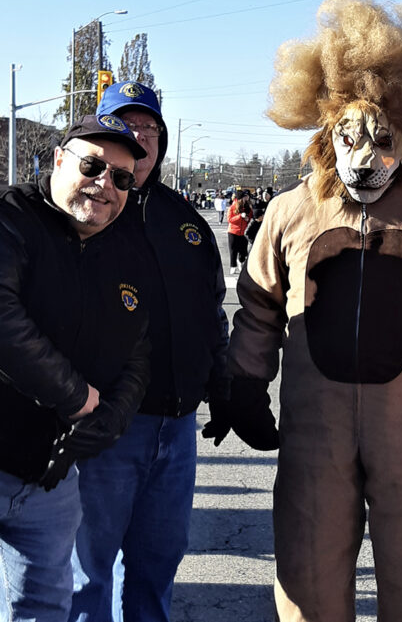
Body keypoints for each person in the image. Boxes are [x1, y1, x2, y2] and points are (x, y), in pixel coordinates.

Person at [207, 0, 402, 620]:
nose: (366, 156)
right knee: (308, 591)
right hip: (316, 440)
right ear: (325, 134)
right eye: (351, 136)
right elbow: (259, 304)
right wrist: (243, 382)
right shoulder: (289, 211)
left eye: (384, 140)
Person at [69, 81, 230, 622]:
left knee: (156, 565)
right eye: (126, 124)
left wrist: (224, 384)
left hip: (177, 428)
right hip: (109, 428)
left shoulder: (186, 222)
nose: (139, 136)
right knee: (87, 574)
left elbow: (211, 312)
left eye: (150, 128)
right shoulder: (83, 217)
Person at [0, 114, 150, 622]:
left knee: (43, 607)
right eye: (93, 165)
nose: (106, 184)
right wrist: (81, 400)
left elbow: (138, 347)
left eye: (123, 177)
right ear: (60, 159)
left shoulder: (120, 249)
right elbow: (3, 321)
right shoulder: (12, 218)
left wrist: (114, 415)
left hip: (49, 481)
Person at [227, 189, 252, 275]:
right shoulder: (232, 207)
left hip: (243, 232)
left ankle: (240, 261)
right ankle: (233, 266)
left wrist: (247, 219)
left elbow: (251, 218)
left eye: (247, 197)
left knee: (243, 251)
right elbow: (230, 219)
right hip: (233, 232)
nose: (246, 199)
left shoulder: (248, 207)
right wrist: (239, 216)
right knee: (233, 250)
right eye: (244, 197)